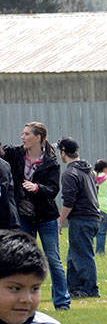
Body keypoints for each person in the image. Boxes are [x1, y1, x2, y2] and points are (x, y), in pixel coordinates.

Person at [3, 123, 69, 311]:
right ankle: (23, 300)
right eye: (22, 133)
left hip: (46, 217)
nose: (22, 137)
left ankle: (63, 302)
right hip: (23, 216)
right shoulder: (16, 155)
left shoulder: (51, 162)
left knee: (53, 259)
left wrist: (37, 188)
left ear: (38, 137)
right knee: (22, 258)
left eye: (26, 134)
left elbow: (53, 190)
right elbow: (2, 151)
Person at [56, 139, 100, 300]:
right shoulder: (88, 171)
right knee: (74, 254)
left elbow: (69, 201)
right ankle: (74, 288)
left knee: (83, 255)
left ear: (63, 152)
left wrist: (60, 221)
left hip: (81, 219)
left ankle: (90, 289)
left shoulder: (69, 173)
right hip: (94, 217)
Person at [92, 159, 107, 256]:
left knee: (90, 232)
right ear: (105, 169)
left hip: (92, 207)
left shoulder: (91, 177)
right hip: (104, 208)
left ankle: (90, 251)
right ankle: (100, 252)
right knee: (102, 232)